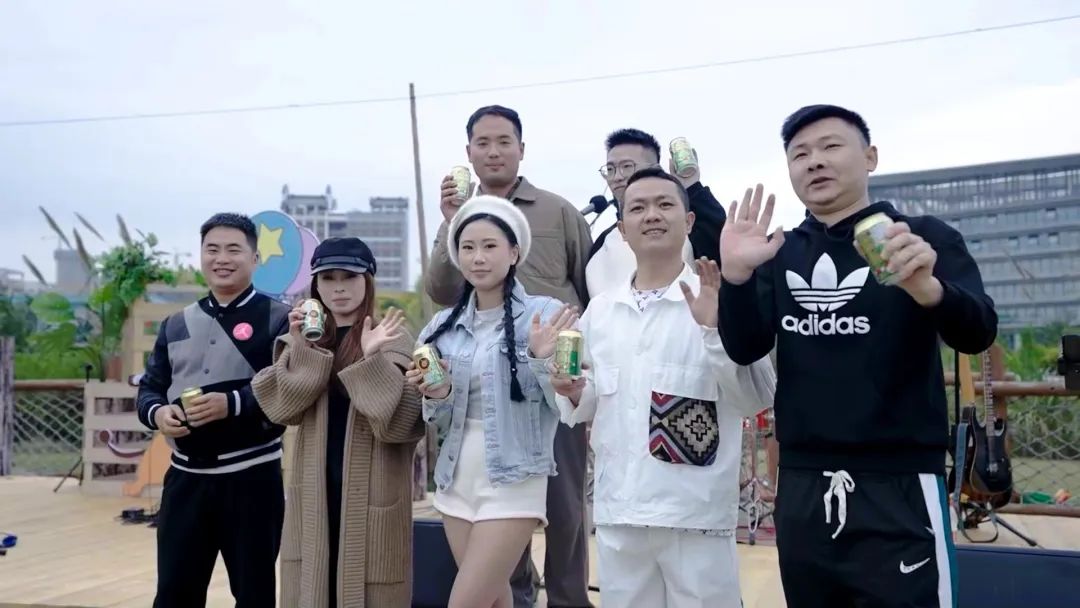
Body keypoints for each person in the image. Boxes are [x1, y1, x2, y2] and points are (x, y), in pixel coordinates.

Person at [717, 104, 997, 608]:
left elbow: (978, 332)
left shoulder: (920, 237)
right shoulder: (780, 250)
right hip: (803, 483)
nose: (814, 161)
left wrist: (928, 289)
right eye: (800, 154)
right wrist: (735, 279)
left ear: (870, 157)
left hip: (900, 482)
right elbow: (744, 346)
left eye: (830, 146)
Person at [552, 168, 775, 608]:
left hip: (695, 515)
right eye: (637, 208)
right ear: (622, 230)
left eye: (665, 204)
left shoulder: (717, 297)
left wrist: (713, 332)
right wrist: (571, 389)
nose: (651, 215)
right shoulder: (601, 311)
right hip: (621, 512)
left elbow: (756, 396)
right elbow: (593, 398)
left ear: (689, 221)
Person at [426, 105, 594, 608]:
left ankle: (567, 601)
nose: (494, 151)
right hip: (462, 466)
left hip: (545, 389)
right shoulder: (446, 316)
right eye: (483, 142)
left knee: (565, 510)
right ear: (468, 152)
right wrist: (450, 223)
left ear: (522, 148)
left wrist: (557, 359)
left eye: (504, 141)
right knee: (492, 586)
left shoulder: (557, 211)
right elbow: (440, 288)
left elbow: (587, 286)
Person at [410, 195, 579, 608]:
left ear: (514, 252)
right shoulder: (440, 328)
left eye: (490, 246)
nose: (478, 258)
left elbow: (563, 401)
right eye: (468, 248)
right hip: (455, 478)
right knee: (495, 600)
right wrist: (438, 393)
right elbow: (437, 419)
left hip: (514, 479)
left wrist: (540, 358)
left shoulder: (545, 315)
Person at [251, 237, 425, 608]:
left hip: (373, 496)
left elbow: (398, 425)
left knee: (370, 591)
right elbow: (282, 409)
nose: (339, 287)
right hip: (313, 494)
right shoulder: (299, 339)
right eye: (328, 278)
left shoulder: (393, 338)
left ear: (368, 281)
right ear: (315, 285)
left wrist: (371, 359)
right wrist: (303, 347)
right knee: (312, 590)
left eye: (350, 276)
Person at [136, 212, 290, 608]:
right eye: (212, 249)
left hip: (252, 479)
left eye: (233, 250)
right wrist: (159, 414)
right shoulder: (175, 323)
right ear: (201, 255)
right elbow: (150, 388)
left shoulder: (279, 319)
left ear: (255, 259)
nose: (222, 258)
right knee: (174, 594)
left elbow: (289, 388)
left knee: (254, 595)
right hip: (185, 481)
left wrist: (232, 404)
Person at [587, 128, 728, 298]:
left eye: (627, 166)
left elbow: (723, 253)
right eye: (610, 169)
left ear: (655, 168)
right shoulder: (602, 246)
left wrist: (692, 187)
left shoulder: (680, 225)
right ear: (622, 230)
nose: (617, 177)